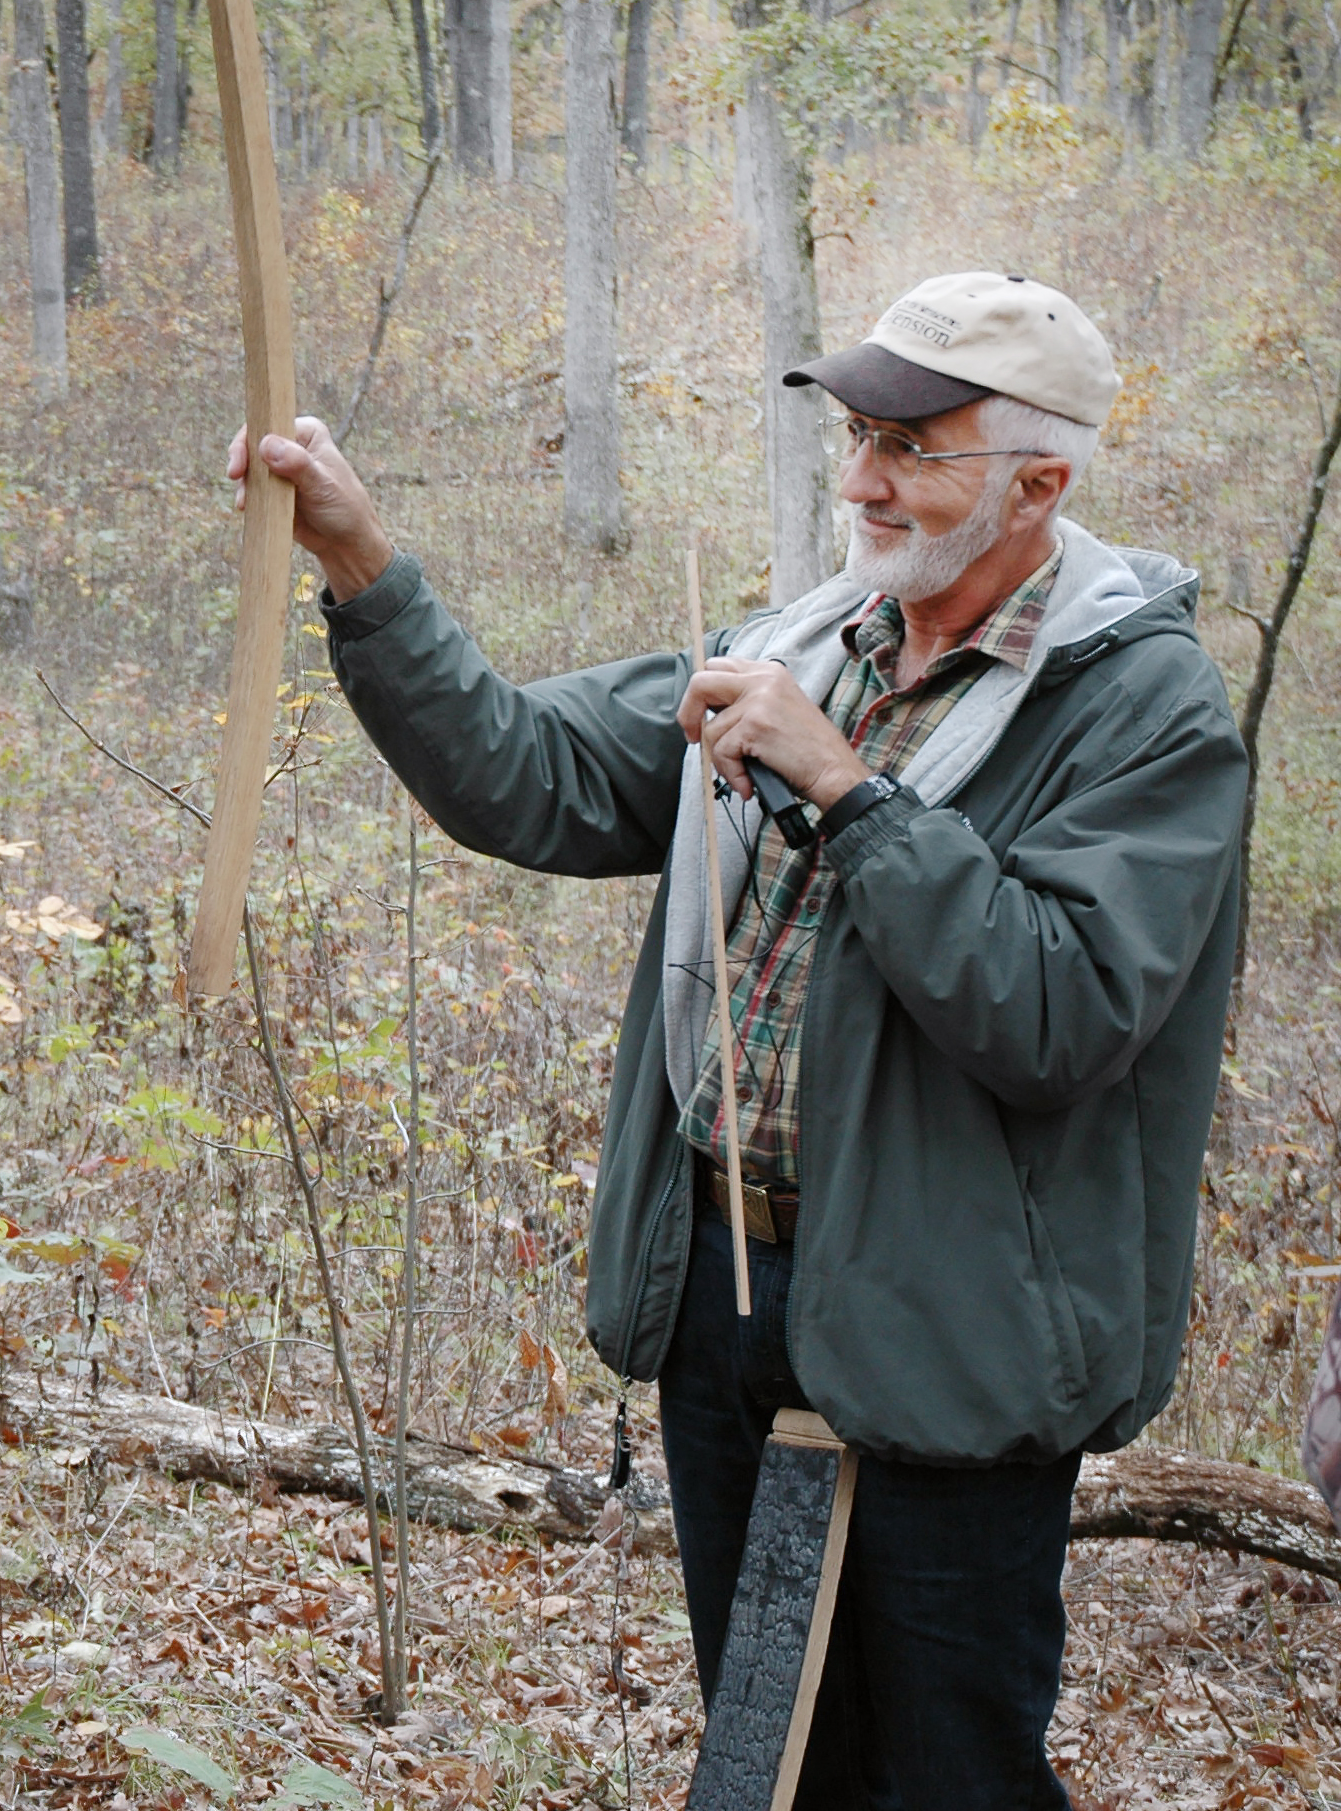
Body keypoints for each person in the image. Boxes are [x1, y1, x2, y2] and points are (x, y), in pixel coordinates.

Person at [250, 270, 1244, 1800]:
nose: (860, 480)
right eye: (856, 434)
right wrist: (359, 555)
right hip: (728, 1285)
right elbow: (523, 774)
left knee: (946, 1767)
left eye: (913, 446)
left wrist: (850, 793)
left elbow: (1058, 1010)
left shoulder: (1143, 710)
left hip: (954, 1327)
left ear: (1041, 481)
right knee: (771, 1747)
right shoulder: (812, 643)